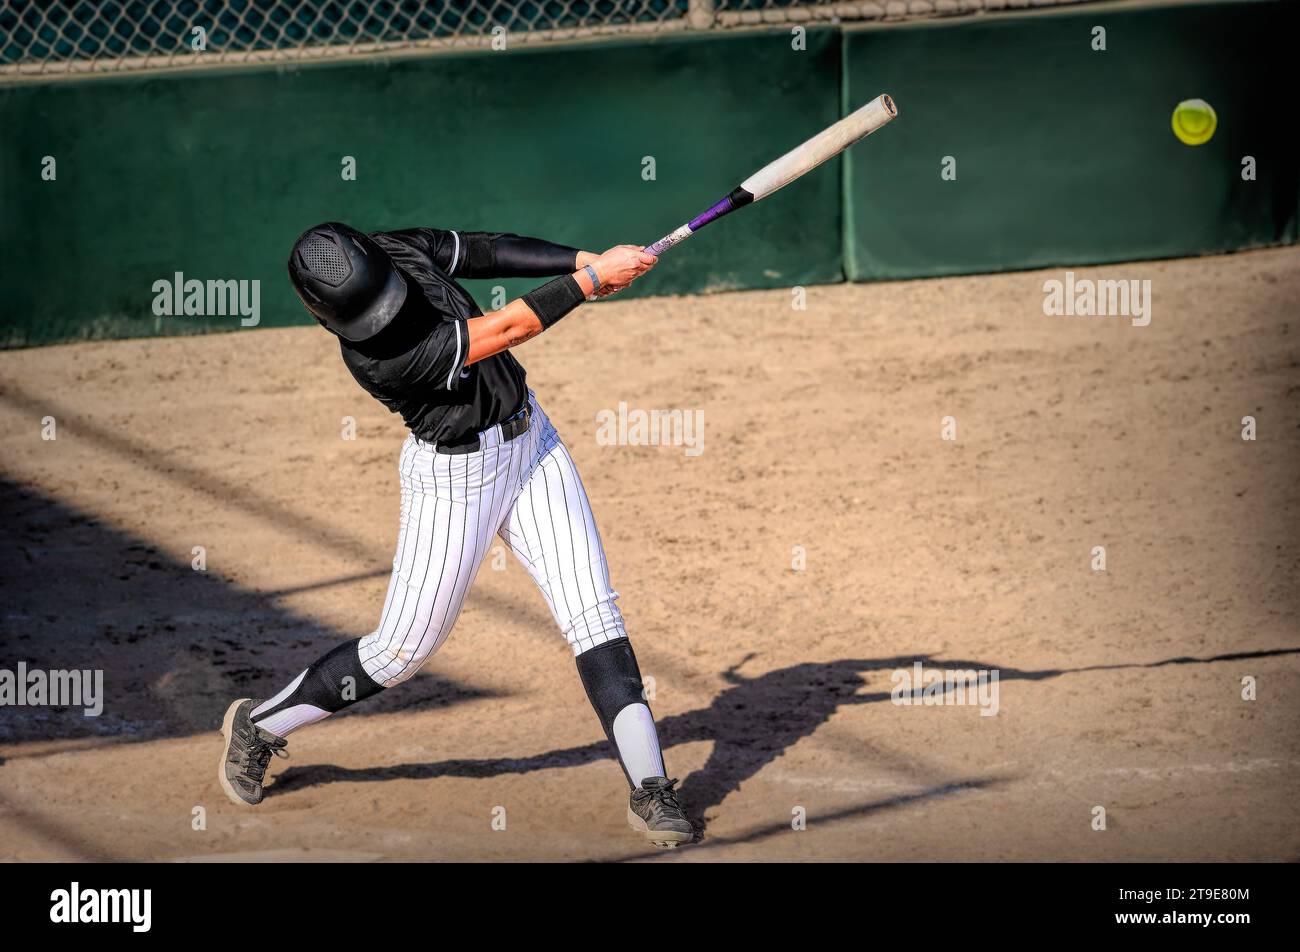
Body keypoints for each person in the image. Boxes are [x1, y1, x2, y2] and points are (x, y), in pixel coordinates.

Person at [216, 222, 694, 848]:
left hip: (534, 446)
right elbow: (503, 330)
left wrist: (585, 259)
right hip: (454, 483)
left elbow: (487, 252)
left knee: (594, 616)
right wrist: (593, 281)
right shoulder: (378, 358)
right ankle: (261, 724)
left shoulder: (395, 246)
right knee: (398, 653)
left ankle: (650, 787)